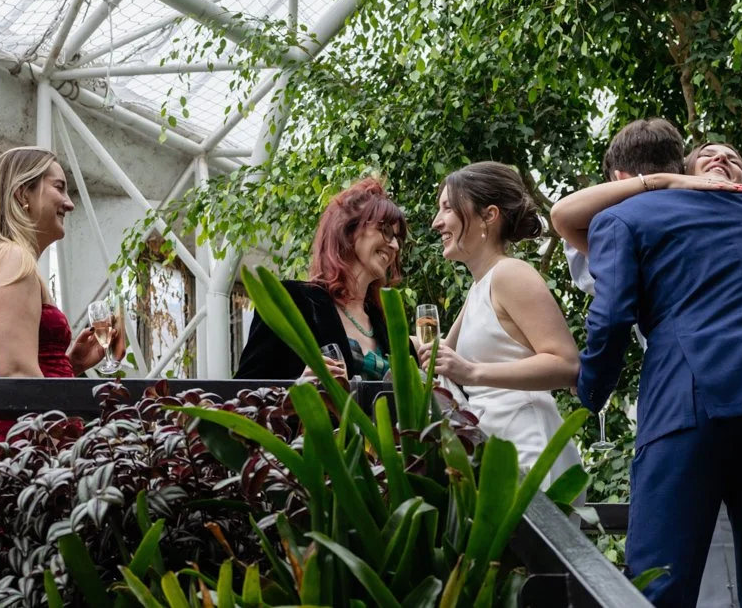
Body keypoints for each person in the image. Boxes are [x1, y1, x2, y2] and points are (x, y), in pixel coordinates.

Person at [551, 140, 742, 608]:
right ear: (684, 171)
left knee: (659, 579)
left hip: (688, 399)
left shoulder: (627, 217)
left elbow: (611, 316)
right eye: (707, 155)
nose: (720, 160)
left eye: (733, 157)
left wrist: (591, 390)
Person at [0, 147, 125, 448]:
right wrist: (59, 453)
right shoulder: (12, 258)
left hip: (11, 441)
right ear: (21, 194)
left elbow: (14, 368)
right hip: (22, 449)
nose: (69, 203)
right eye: (59, 188)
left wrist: (70, 365)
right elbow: (18, 375)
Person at [416, 162, 582, 486]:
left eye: (447, 208)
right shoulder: (479, 288)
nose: (436, 222)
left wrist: (472, 372)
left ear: (488, 215)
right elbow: (438, 356)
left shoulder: (510, 274)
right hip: (497, 452)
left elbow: (566, 364)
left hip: (530, 452)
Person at [235, 177, 406, 381]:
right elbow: (243, 390)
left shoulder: (385, 324)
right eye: (386, 231)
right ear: (349, 230)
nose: (395, 246)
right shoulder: (291, 302)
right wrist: (300, 388)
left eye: (398, 239)